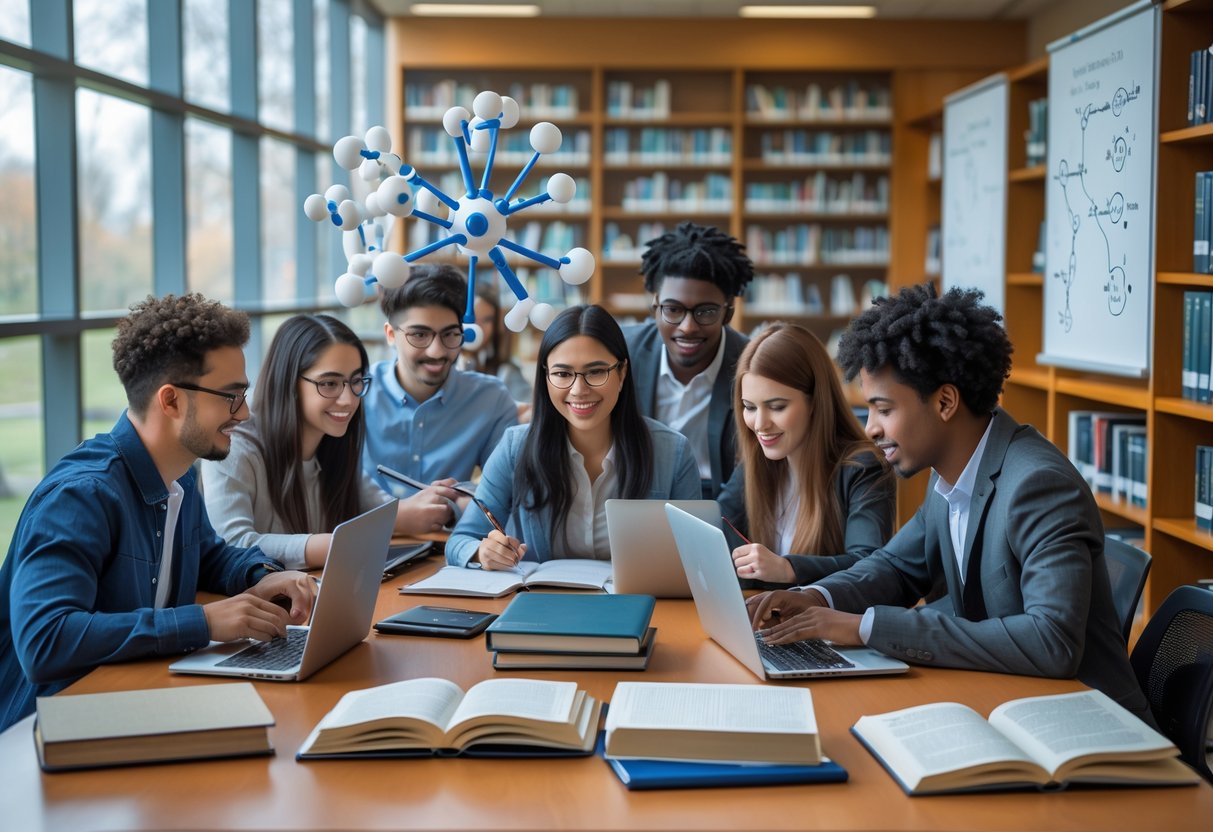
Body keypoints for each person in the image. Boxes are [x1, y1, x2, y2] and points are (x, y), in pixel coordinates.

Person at [747, 284, 1153, 723]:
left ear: (944, 402)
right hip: (1011, 700)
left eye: (883, 410)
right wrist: (813, 597)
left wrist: (862, 627)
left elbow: (1051, 641)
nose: (871, 429)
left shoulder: (1038, 486)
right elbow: (895, 568)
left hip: (1090, 725)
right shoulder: (951, 473)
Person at [0, 293, 318, 733]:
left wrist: (262, 575)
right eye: (231, 397)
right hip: (47, 731)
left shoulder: (180, 473)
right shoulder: (80, 496)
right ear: (170, 401)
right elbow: (45, 640)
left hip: (134, 704)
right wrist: (203, 622)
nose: (244, 413)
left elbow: (207, 554)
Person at [445, 304, 701, 569]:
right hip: (541, 604)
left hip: (639, 605)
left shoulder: (673, 452)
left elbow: (700, 557)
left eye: (596, 372)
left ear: (622, 373)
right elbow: (461, 540)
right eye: (563, 374)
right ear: (545, 376)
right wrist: (482, 552)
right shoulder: (515, 447)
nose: (579, 390)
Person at [202, 314, 422, 570]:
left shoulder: (333, 447)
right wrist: (328, 546)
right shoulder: (235, 449)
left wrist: (447, 502)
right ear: (290, 384)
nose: (348, 400)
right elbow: (232, 544)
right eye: (329, 383)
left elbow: (380, 513)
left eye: (355, 381)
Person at [720, 323, 894, 587]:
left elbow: (869, 564)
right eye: (749, 407)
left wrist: (788, 568)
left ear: (816, 402)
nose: (760, 424)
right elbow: (713, 526)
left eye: (777, 407)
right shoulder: (756, 461)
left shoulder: (863, 467)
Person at [361, 264, 518, 528]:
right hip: (362, 551)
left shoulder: (490, 399)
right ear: (391, 334)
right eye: (419, 335)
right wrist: (399, 517)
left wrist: (456, 502)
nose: (436, 351)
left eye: (450, 335)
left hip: (448, 556)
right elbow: (330, 491)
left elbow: (506, 496)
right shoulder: (355, 394)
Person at [624, 221, 755, 499]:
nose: (687, 327)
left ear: (728, 311)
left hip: (723, 500)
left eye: (705, 312)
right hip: (637, 497)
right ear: (655, 304)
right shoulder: (621, 352)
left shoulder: (753, 365)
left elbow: (756, 468)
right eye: (673, 309)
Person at [460, 280, 533, 422]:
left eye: (487, 320)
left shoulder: (506, 372)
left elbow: (531, 412)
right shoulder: (444, 365)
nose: (479, 327)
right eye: (472, 318)